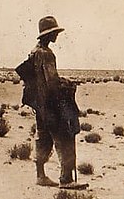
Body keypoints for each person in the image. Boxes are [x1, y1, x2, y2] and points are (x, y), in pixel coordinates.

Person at [16, 16, 86, 189]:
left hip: (40, 104)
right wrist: (67, 84)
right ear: (49, 34)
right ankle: (66, 179)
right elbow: (51, 82)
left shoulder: (34, 51)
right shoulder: (46, 54)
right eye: (55, 33)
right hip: (52, 103)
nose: (57, 36)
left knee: (43, 137)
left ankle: (40, 175)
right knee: (65, 138)